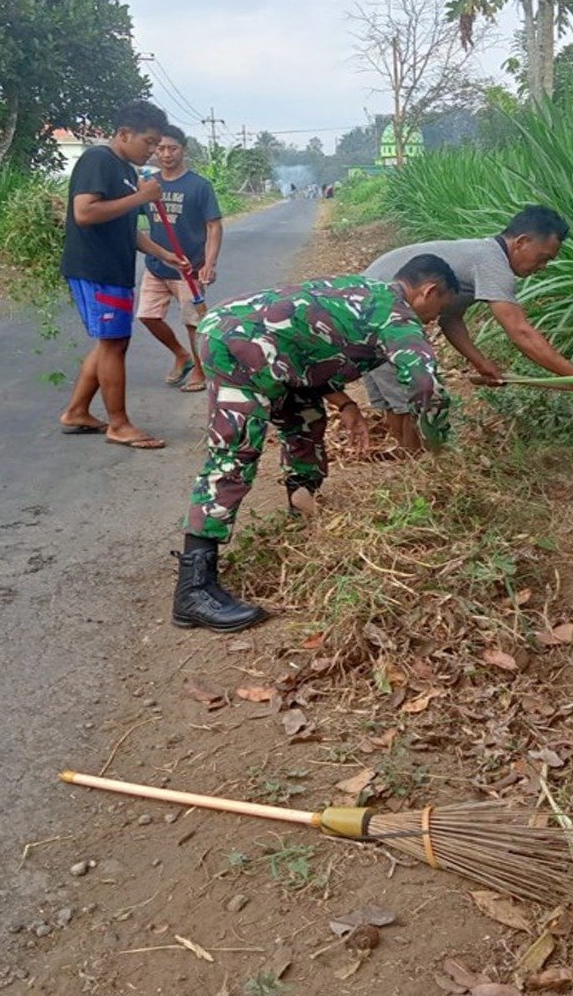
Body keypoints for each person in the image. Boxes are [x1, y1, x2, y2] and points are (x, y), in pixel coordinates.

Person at [171, 255, 460, 632]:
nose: (433, 321)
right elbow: (428, 388)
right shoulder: (398, 317)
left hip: (252, 336)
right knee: (235, 453)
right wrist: (440, 454)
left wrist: (345, 402)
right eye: (438, 309)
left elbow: (306, 343)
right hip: (239, 343)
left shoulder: (364, 290)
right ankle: (194, 589)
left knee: (306, 418)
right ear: (430, 291)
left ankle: (300, 505)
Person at [360, 205, 573, 453]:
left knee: (396, 403)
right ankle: (415, 470)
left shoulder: (477, 255)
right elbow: (521, 333)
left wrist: (481, 362)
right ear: (521, 242)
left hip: (364, 303)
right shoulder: (494, 264)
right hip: (382, 308)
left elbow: (450, 319)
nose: (542, 267)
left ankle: (408, 464)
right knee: (408, 398)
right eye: (543, 258)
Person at [57, 100, 190, 449]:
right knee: (115, 343)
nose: (153, 151)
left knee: (109, 341)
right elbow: (85, 213)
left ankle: (77, 411)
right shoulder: (98, 160)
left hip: (114, 270)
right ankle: (119, 424)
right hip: (95, 268)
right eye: (149, 143)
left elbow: (125, 227)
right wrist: (142, 197)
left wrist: (165, 255)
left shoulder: (128, 172)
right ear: (124, 134)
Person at [137, 124, 222, 393]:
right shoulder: (150, 186)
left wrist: (209, 264)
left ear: (183, 151)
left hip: (190, 270)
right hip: (156, 267)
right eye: (160, 148)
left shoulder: (199, 186)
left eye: (172, 148)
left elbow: (214, 226)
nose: (166, 154)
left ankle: (200, 369)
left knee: (193, 323)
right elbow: (131, 218)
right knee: (147, 316)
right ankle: (181, 355)